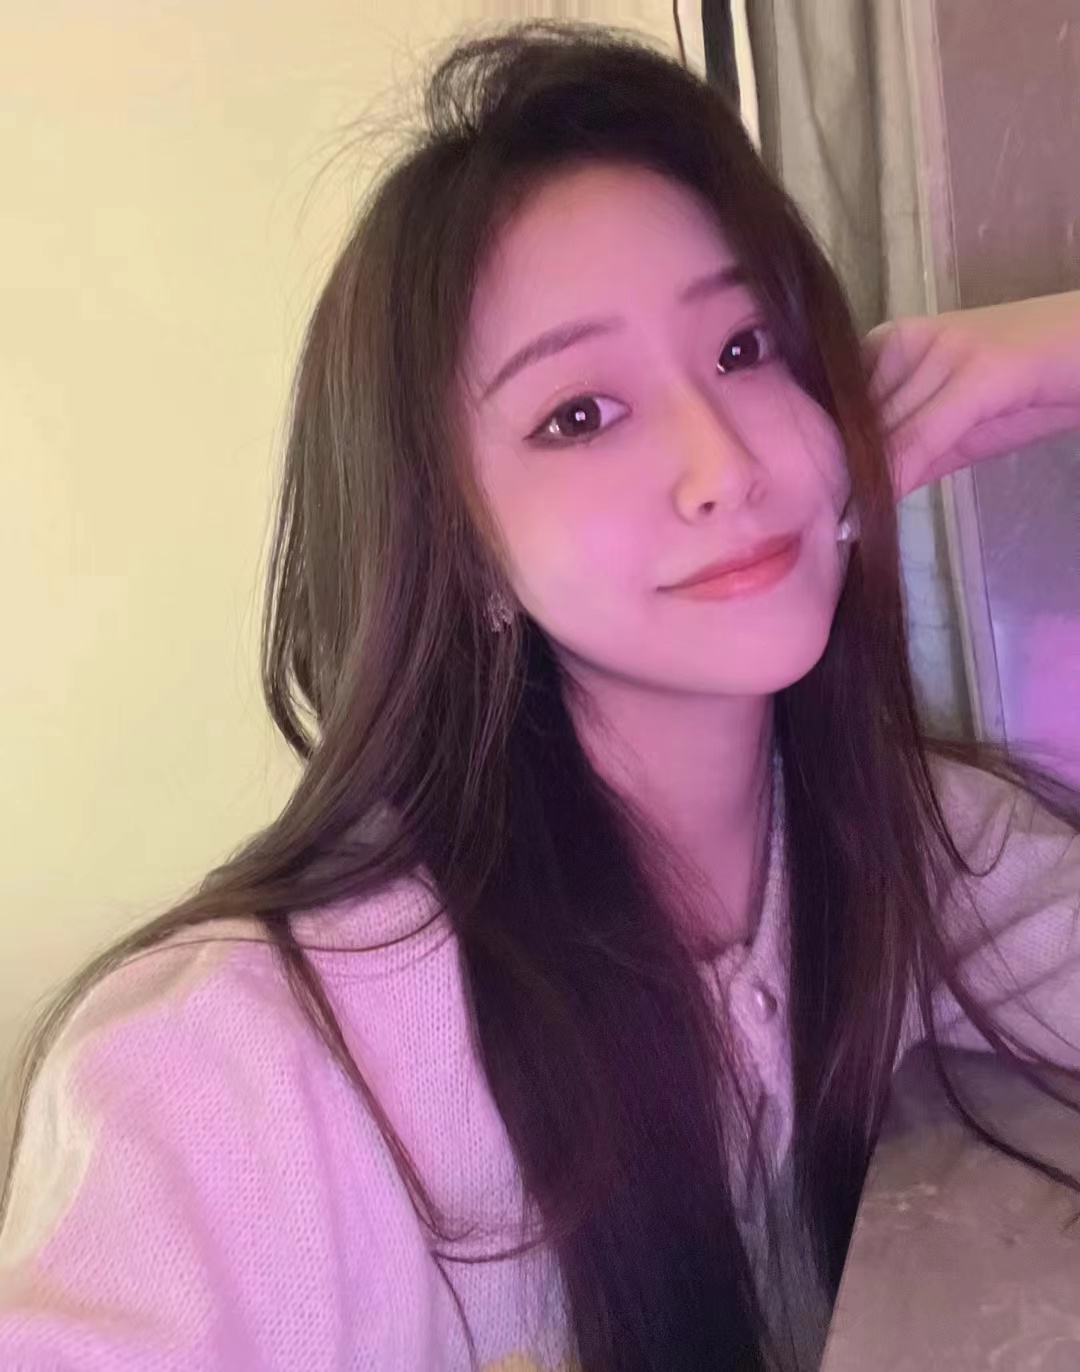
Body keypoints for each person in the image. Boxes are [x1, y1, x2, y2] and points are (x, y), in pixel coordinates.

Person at [2, 22, 1079, 1372]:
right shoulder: (243, 1068)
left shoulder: (922, 853)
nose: (723, 465)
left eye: (746, 347)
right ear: (461, 554)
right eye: (579, 414)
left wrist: (1054, 353)